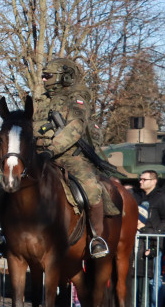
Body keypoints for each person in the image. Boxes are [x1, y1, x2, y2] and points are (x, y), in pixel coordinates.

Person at [34, 57, 117, 258]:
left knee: (91, 189)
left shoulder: (77, 98)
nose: (44, 79)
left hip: (70, 156)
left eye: (48, 76)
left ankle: (97, 238)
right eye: (43, 76)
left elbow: (75, 127)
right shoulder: (42, 100)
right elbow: (33, 125)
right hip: (39, 154)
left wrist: (52, 148)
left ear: (64, 77)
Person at [133, 170, 165, 307]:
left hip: (153, 242)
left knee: (153, 280)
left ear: (154, 181)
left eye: (144, 179)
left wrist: (153, 232)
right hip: (136, 242)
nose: (140, 181)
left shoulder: (162, 198)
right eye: (140, 178)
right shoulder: (135, 196)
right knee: (136, 277)